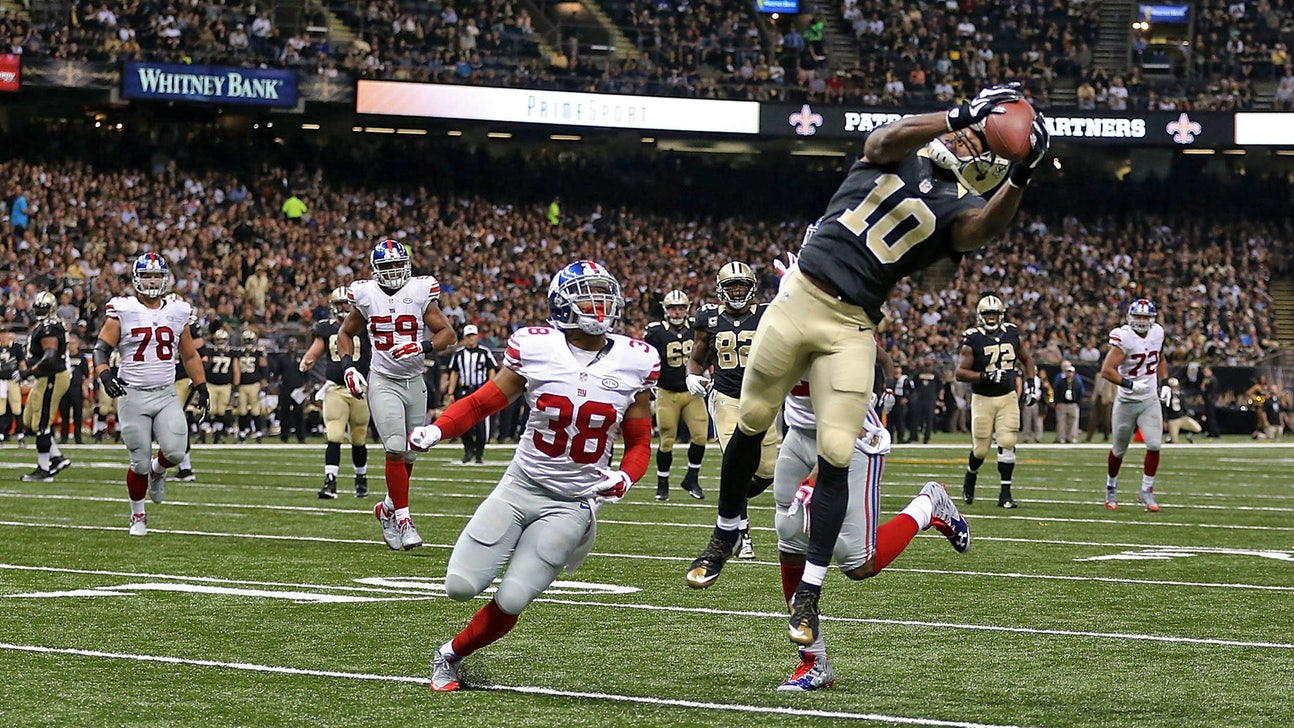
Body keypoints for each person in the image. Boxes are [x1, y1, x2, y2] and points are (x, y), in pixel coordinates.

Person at [689, 83, 1046, 652]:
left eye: (980, 138)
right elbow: (882, 138)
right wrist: (959, 113)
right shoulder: (902, 150)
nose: (965, 137)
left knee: (837, 454)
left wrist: (1022, 175)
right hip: (798, 299)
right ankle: (725, 532)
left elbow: (981, 230)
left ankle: (810, 593)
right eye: (969, 130)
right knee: (750, 421)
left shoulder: (961, 205)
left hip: (850, 324)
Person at [408, 260, 658, 693]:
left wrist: (625, 478)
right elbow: (482, 403)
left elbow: (639, 443)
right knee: (460, 585)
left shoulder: (636, 360)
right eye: (587, 297)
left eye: (603, 296)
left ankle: (449, 654)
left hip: (573, 502)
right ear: (562, 304)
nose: (599, 306)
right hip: (520, 486)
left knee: (513, 598)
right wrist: (438, 429)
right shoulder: (536, 347)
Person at [773, 369, 969, 690]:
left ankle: (927, 506)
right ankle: (814, 662)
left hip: (852, 437)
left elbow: (865, 376)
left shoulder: (843, 339)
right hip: (799, 432)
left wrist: (815, 478)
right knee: (790, 539)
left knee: (859, 563)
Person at [336, 238, 456, 551]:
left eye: (396, 265)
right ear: (375, 269)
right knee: (394, 447)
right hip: (383, 380)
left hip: (414, 380)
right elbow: (345, 332)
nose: (391, 271)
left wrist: (422, 345)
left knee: (412, 452)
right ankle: (404, 519)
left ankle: (387, 508)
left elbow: (448, 334)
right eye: (386, 266)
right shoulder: (366, 295)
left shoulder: (420, 291)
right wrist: (348, 367)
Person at [92, 252, 209, 535]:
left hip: (166, 393)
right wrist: (105, 374)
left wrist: (201, 386)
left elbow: (189, 355)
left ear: (165, 279)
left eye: (157, 276)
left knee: (176, 451)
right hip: (132, 394)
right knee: (139, 461)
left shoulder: (178, 310)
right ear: (136, 279)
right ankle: (138, 515)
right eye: (147, 276)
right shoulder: (123, 309)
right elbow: (101, 349)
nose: (153, 281)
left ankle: (159, 470)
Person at [686, 261, 779, 561]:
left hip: (761, 398)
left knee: (767, 472)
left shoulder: (767, 314)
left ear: (752, 287)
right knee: (737, 465)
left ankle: (731, 495)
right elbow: (697, 357)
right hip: (725, 398)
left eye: (742, 286)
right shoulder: (709, 318)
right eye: (731, 286)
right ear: (720, 289)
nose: (737, 291)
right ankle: (741, 534)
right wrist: (692, 375)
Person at [955, 294, 1037, 509]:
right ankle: (971, 475)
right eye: (987, 314)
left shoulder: (1012, 333)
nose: (991, 318)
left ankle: (1005, 494)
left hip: (1007, 396)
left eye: (994, 314)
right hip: (983, 399)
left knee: (1008, 441)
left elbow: (1027, 359)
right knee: (981, 449)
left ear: (1001, 314)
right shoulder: (973, 339)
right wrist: (985, 375)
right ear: (980, 316)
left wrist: (1031, 383)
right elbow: (960, 373)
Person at [300, 286, 372, 499]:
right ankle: (330, 481)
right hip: (335, 388)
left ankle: (361, 478)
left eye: (345, 304)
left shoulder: (366, 325)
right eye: (339, 304)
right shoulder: (326, 328)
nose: (343, 308)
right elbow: (316, 349)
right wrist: (308, 359)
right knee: (334, 434)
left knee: (359, 436)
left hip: (360, 388)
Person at [1099, 299, 1165, 512]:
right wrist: (1130, 384)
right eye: (1138, 316)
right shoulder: (1125, 337)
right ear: (1130, 317)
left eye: (1145, 317)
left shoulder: (1158, 333)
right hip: (1127, 401)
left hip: (1149, 400)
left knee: (1154, 445)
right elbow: (1107, 370)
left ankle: (1146, 490)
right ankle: (1111, 487)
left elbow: (1160, 358)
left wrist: (1165, 383)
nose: (1141, 321)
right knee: (1119, 450)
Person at [644, 289, 708, 501]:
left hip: (692, 392)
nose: (677, 312)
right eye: (673, 308)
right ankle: (662, 484)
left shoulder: (697, 328)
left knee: (700, 436)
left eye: (680, 308)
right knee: (667, 441)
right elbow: (647, 360)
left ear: (687, 309)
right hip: (667, 392)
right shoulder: (655, 332)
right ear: (666, 310)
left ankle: (692, 478)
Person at [21, 291, 74, 481]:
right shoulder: (46, 325)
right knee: (29, 419)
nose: (39, 312)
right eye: (37, 308)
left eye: (43, 308)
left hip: (52, 376)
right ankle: (57, 457)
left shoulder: (50, 327)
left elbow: (50, 358)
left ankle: (44, 469)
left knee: (42, 423)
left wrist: (28, 371)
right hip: (45, 377)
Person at [444, 324, 499, 464]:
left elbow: (491, 370)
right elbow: (454, 373)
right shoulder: (459, 354)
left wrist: (490, 389)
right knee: (464, 422)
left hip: (480, 389)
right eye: (468, 336)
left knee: (481, 423)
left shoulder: (485, 352)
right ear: (464, 338)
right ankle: (468, 451)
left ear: (477, 336)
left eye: (473, 335)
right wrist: (450, 393)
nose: (471, 339)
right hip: (464, 390)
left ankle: (479, 453)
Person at [200, 329, 239, 443]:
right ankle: (202, 435)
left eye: (223, 340)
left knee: (221, 411)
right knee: (209, 410)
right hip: (211, 384)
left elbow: (236, 370)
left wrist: (235, 387)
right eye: (218, 340)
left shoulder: (232, 353)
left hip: (225, 386)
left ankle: (218, 435)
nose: (221, 342)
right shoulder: (209, 352)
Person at [236, 327, 269, 443]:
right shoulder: (238, 353)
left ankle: (258, 434)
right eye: (247, 340)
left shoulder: (258, 353)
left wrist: (263, 383)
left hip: (255, 385)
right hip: (242, 385)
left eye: (250, 340)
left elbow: (264, 368)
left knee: (255, 411)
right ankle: (242, 434)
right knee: (242, 411)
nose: (248, 343)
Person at [58, 338, 90, 444]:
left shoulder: (82, 358)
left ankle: (78, 437)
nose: (71, 346)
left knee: (78, 414)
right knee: (64, 414)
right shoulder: (63, 357)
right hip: (64, 389)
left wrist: (85, 389)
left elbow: (86, 376)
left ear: (77, 345)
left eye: (73, 343)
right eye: (69, 344)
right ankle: (64, 437)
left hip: (76, 388)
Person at [0, 329, 26, 445]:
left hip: (13, 381)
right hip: (1, 381)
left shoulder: (16, 347)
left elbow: (22, 364)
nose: (3, 337)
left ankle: (20, 434)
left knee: (16, 408)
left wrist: (24, 379)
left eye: (4, 334)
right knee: (1, 409)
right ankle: (1, 435)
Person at [1053, 361, 1084, 443]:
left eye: (1071, 372)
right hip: (1062, 404)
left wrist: (1078, 403)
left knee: (1073, 422)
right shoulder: (1060, 382)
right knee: (1061, 422)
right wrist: (1057, 402)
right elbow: (1056, 392)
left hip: (1073, 404)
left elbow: (1080, 393)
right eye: (1068, 372)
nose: (1069, 374)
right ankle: (1061, 437)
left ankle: (1072, 437)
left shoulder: (1077, 383)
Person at [1161, 377, 1200, 444]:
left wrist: (1187, 413)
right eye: (1172, 387)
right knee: (1174, 441)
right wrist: (1165, 420)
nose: (1174, 388)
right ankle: (1170, 438)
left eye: (1175, 386)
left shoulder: (1180, 395)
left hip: (1182, 418)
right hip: (1172, 420)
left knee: (1197, 428)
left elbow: (1183, 406)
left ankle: (1189, 436)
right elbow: (1164, 409)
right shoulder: (1166, 396)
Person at [1085, 374, 1115, 442]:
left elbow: (1114, 389)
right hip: (1097, 399)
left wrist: (1112, 399)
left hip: (1107, 400)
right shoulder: (1098, 376)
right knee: (1093, 418)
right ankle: (1088, 438)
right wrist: (1093, 396)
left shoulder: (1112, 375)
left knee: (1106, 420)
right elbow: (1096, 387)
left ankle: (1106, 437)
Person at [1199, 366, 1222, 438]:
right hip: (1209, 400)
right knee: (1209, 417)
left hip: (1210, 401)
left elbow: (1203, 389)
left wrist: (1204, 383)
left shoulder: (1211, 379)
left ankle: (1214, 432)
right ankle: (1211, 431)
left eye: (1206, 372)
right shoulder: (1211, 379)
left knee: (1211, 417)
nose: (1204, 373)